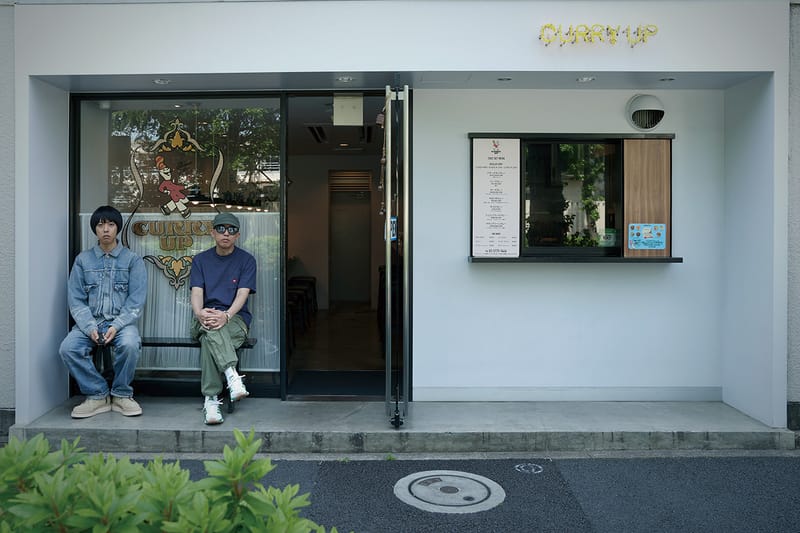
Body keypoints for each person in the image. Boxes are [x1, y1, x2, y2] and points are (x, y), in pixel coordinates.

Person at [59, 205, 147, 418]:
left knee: (129, 344)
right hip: (90, 324)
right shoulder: (83, 260)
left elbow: (136, 301)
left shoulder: (132, 260)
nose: (106, 229)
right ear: (95, 229)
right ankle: (97, 394)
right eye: (100, 225)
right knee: (68, 348)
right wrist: (89, 327)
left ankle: (121, 394)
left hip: (121, 324)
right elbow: (76, 300)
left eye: (110, 224)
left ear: (117, 228)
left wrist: (116, 326)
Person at [190, 212, 256, 424]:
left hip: (235, 318)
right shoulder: (200, 260)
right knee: (211, 326)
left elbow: (242, 294)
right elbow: (197, 292)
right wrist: (200, 313)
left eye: (231, 230)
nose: (226, 233)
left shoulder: (247, 260)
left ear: (237, 235)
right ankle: (231, 375)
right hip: (205, 316)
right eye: (221, 229)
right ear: (212, 233)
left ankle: (210, 400)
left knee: (210, 338)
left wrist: (226, 316)